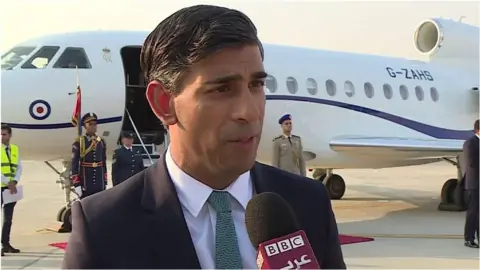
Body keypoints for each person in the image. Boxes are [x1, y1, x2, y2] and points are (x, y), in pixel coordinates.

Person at [62, 5, 345, 269]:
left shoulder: (308, 202)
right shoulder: (103, 226)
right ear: (164, 103)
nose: (249, 112)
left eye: (256, 84)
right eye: (222, 89)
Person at [70, 112, 108, 199]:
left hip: (99, 182)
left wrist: (105, 182)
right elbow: (74, 165)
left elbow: (103, 163)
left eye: (95, 124)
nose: (93, 126)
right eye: (90, 124)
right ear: (85, 126)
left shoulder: (101, 142)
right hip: (86, 182)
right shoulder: (79, 142)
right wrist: (77, 184)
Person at [1, 124, 22, 256]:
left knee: (8, 219)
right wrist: (8, 182)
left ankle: (5, 244)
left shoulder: (14, 149)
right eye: (0, 134)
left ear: (10, 135)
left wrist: (14, 181)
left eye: (4, 134)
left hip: (10, 189)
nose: (2, 137)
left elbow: (19, 167)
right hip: (2, 186)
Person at [463, 119, 479, 248]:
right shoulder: (471, 143)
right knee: (472, 212)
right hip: (474, 184)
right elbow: (471, 162)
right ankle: (469, 238)